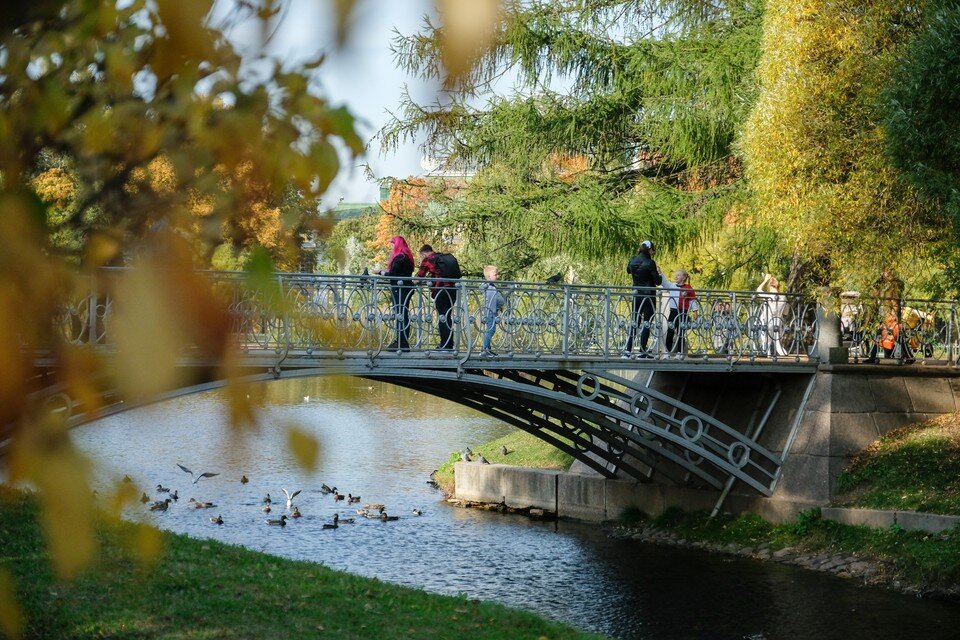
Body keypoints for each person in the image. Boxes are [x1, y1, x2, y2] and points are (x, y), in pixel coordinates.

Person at [864, 267, 912, 363]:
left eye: (888, 271)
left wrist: (896, 318)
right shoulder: (882, 285)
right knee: (883, 334)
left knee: (896, 335)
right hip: (883, 315)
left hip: (890, 316)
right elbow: (875, 297)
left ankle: (908, 356)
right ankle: (908, 356)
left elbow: (895, 303)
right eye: (885, 271)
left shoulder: (894, 286)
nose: (886, 273)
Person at [623, 240, 662, 358]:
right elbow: (657, 281)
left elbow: (628, 271)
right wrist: (659, 274)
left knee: (635, 321)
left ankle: (627, 351)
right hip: (649, 295)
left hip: (636, 295)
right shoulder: (650, 263)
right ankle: (642, 351)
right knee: (647, 322)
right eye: (652, 250)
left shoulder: (632, 260)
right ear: (650, 250)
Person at [416, 244, 458, 350]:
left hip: (441, 291)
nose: (421, 258)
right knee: (447, 316)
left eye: (421, 256)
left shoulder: (428, 259)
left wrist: (412, 281)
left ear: (423, 253)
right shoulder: (441, 258)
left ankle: (444, 345)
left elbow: (419, 276)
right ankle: (449, 344)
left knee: (442, 317)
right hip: (453, 290)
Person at [382, 236, 415, 351]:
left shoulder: (400, 257)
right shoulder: (408, 257)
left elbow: (393, 275)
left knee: (400, 315)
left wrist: (380, 272)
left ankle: (401, 342)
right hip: (407, 287)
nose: (392, 247)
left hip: (399, 288)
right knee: (403, 314)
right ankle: (403, 341)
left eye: (393, 244)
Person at [661, 269, 697, 358]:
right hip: (673, 312)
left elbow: (692, 301)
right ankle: (667, 352)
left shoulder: (688, 288)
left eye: (678, 275)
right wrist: (660, 273)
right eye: (675, 275)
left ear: (684, 277)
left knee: (681, 332)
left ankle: (680, 353)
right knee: (670, 331)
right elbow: (664, 282)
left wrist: (695, 311)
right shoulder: (672, 286)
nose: (676, 276)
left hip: (683, 312)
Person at [756, 273, 786, 356]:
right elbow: (786, 312)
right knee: (778, 344)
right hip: (778, 323)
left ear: (769, 286)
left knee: (766, 341)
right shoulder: (784, 297)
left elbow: (758, 290)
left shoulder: (768, 296)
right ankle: (784, 356)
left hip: (766, 322)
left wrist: (765, 280)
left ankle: (767, 355)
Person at [480, 265, 506, 357]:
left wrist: (501, 306)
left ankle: (488, 349)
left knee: (490, 329)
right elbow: (481, 288)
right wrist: (486, 282)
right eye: (495, 274)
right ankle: (484, 349)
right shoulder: (487, 285)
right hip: (489, 312)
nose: (497, 276)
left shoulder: (493, 286)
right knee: (491, 330)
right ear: (489, 276)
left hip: (493, 311)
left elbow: (498, 298)